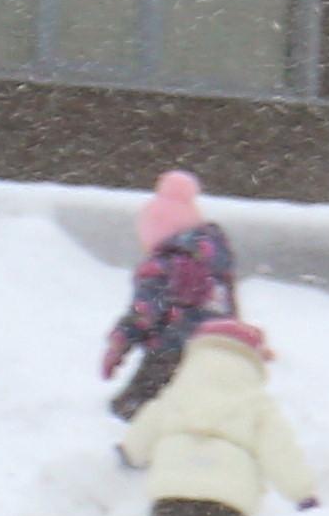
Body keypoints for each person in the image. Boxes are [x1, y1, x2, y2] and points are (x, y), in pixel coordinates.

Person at [117, 321, 318, 516]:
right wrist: (303, 495)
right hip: (226, 501)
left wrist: (129, 454)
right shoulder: (257, 402)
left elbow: (146, 427)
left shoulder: (177, 392)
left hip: (172, 494)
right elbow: (280, 451)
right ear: (252, 359)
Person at [103, 171, 244, 421]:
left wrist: (120, 342)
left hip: (171, 350)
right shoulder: (217, 262)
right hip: (218, 348)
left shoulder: (160, 266)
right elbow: (231, 309)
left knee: (130, 409)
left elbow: (143, 313)